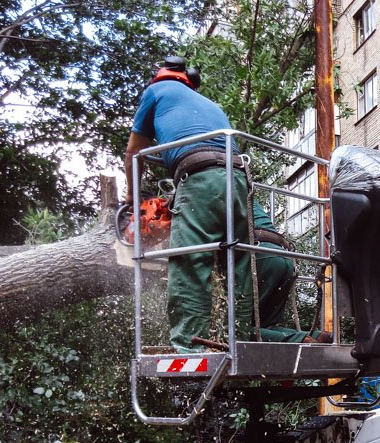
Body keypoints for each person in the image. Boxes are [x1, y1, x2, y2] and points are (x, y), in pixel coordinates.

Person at [123, 56, 311, 352]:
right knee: (239, 265)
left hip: (199, 177)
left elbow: (135, 152)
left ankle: (190, 351)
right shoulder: (210, 106)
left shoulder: (156, 91)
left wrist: (132, 198)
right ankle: (236, 343)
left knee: (188, 264)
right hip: (238, 179)